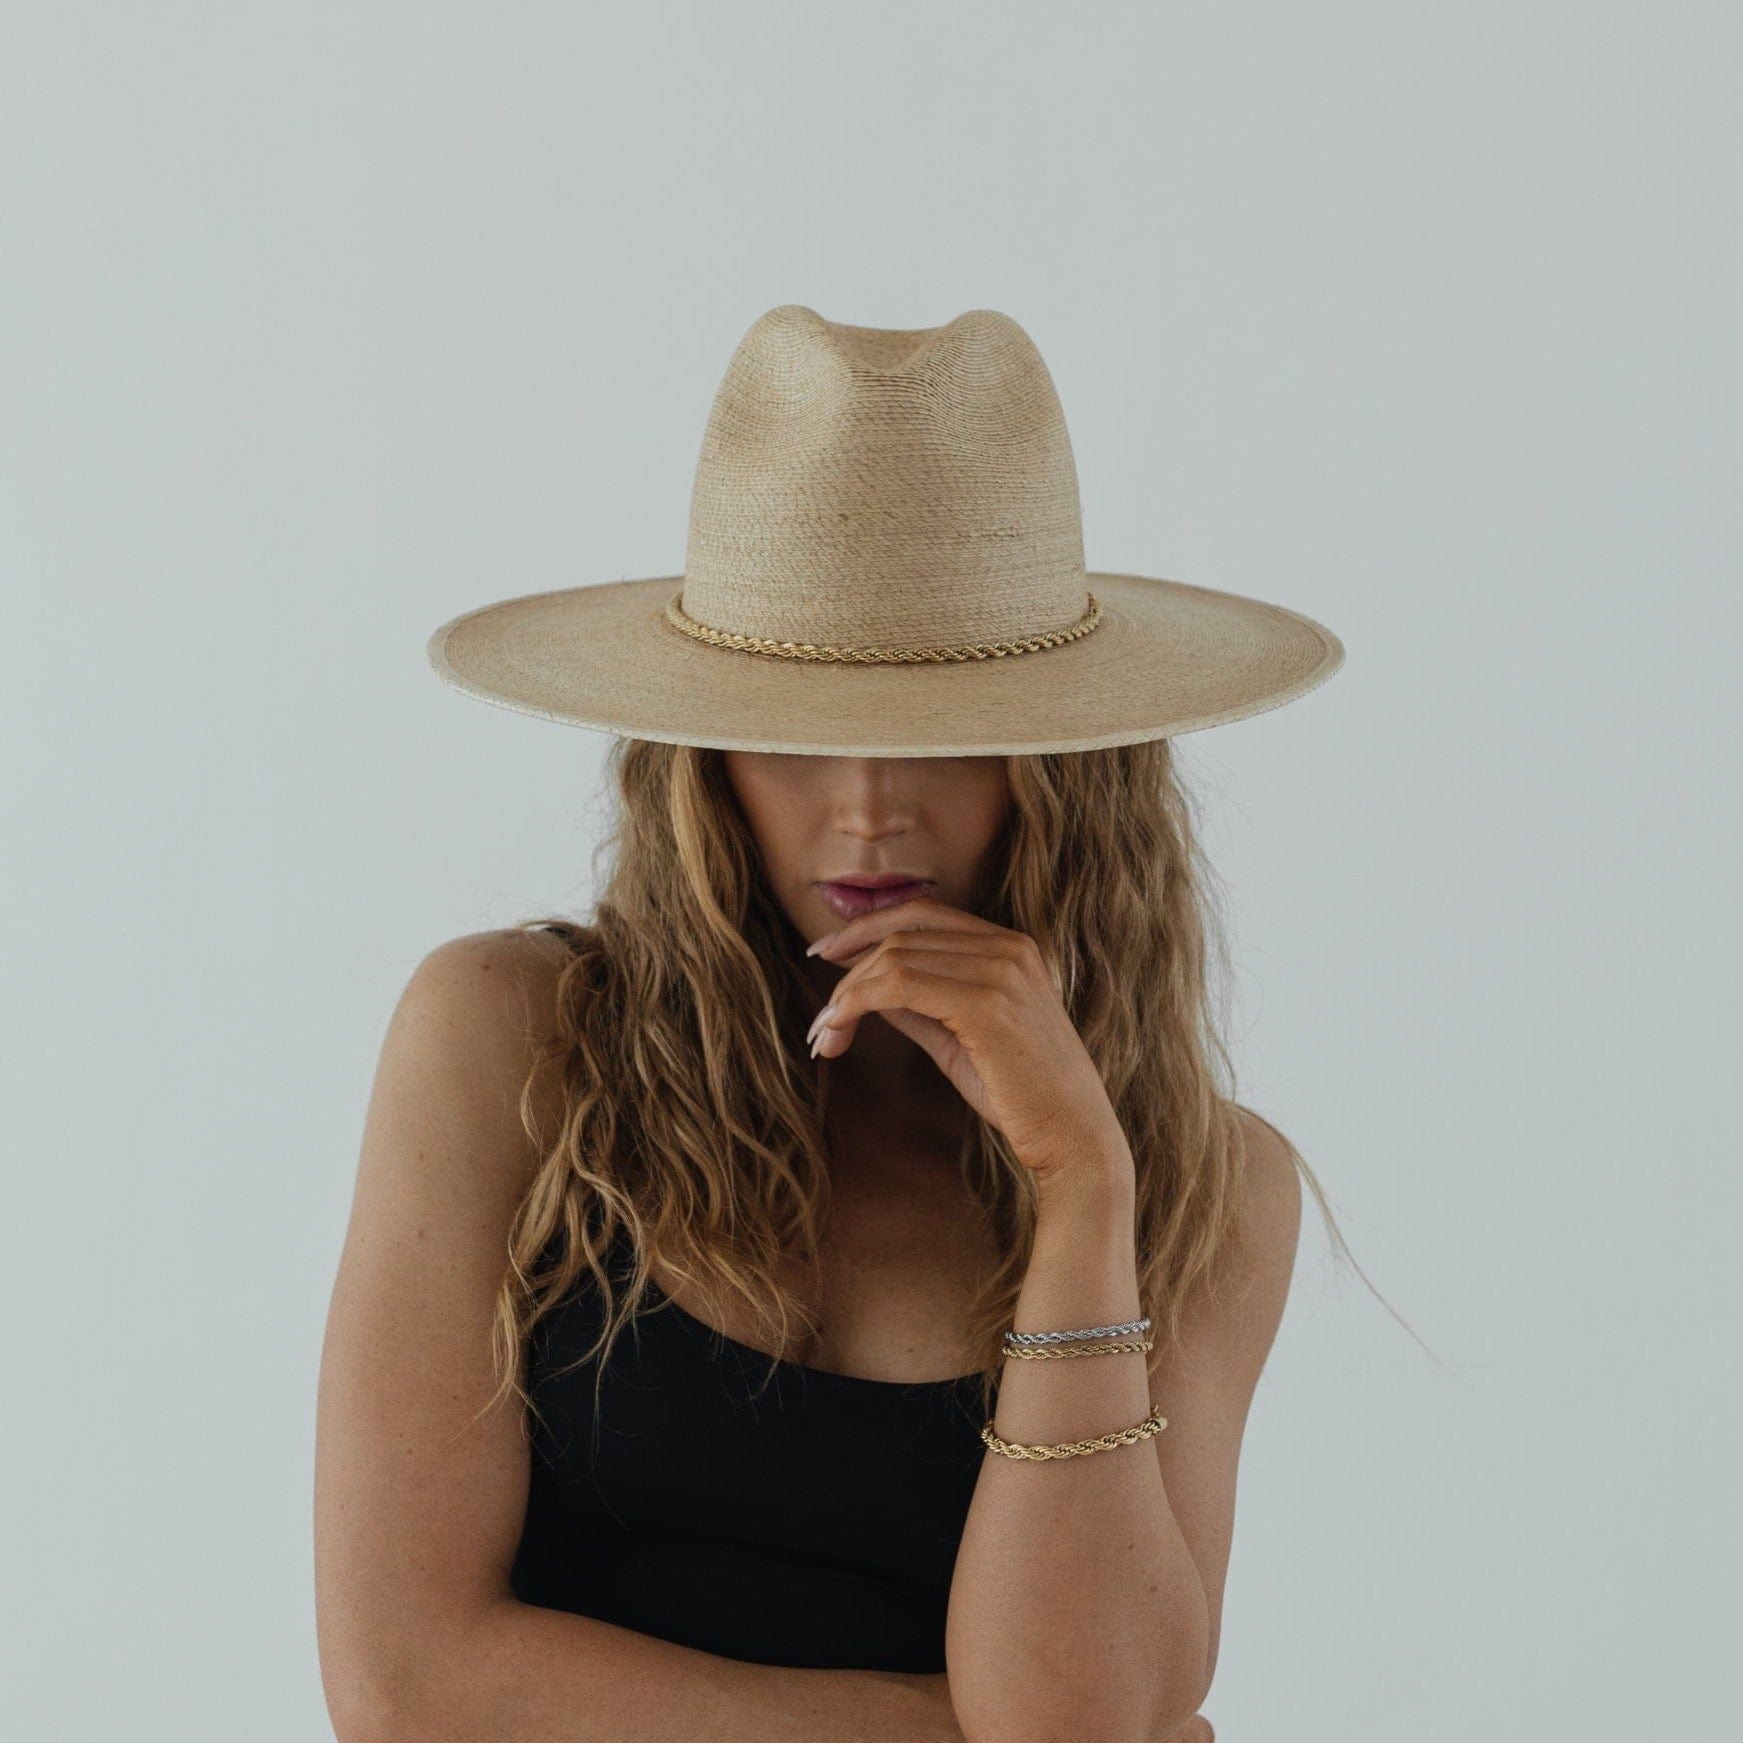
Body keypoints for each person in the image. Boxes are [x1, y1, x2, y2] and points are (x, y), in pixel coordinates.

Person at [315, 304, 1351, 1743]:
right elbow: (404, 1689)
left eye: (950, 727)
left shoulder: (1201, 1188)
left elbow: (1082, 1716)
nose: (868, 802)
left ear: (1070, 765)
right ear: (701, 752)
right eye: (795, 722)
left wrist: (1078, 1190)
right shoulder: (512, 1043)